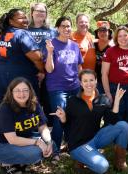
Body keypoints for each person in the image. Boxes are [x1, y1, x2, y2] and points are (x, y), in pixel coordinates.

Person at [52, 69, 128, 173]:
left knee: (123, 126)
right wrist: (63, 118)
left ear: (96, 81)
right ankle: (81, 162)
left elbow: (111, 121)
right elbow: (66, 125)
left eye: (91, 80)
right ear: (81, 83)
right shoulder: (73, 101)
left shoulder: (103, 99)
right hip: (78, 144)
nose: (89, 83)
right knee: (103, 166)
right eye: (85, 81)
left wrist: (116, 102)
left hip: (95, 138)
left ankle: (120, 162)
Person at [0, 77, 54, 174]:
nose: (21, 94)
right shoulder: (5, 109)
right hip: (0, 145)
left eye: (25, 90)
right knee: (37, 153)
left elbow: (42, 127)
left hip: (22, 138)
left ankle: (20, 158)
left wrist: (48, 142)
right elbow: (12, 139)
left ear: (30, 91)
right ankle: (7, 162)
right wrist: (38, 142)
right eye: (17, 90)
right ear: (11, 92)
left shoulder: (34, 103)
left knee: (52, 143)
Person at [44, 16, 83, 159]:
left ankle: (70, 144)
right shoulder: (51, 45)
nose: (67, 29)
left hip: (74, 86)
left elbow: (79, 66)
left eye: (68, 26)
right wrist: (49, 52)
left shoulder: (74, 45)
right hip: (57, 88)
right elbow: (48, 69)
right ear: (58, 28)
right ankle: (55, 150)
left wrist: (83, 83)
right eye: (63, 26)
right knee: (60, 117)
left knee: (72, 116)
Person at [0, 8, 44, 105]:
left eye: (25, 17)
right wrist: (42, 71)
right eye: (20, 18)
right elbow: (37, 58)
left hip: (0, 77)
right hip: (22, 79)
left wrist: (3, 68)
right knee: (29, 107)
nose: (25, 20)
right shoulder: (22, 34)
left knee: (4, 106)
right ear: (10, 21)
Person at [102, 26, 128, 154]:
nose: (123, 38)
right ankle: (119, 146)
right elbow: (104, 74)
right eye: (120, 36)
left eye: (125, 35)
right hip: (116, 88)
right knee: (118, 117)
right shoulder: (110, 52)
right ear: (116, 38)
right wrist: (108, 93)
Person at [28, 2, 57, 126]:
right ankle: (34, 128)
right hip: (29, 71)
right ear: (32, 13)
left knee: (48, 101)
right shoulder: (25, 29)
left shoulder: (53, 31)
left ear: (46, 14)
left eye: (43, 11)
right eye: (37, 11)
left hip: (49, 71)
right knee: (32, 101)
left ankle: (49, 129)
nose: (40, 13)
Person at [93, 21, 114, 94]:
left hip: (110, 80)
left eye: (104, 30)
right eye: (100, 31)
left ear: (109, 32)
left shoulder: (112, 46)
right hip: (96, 80)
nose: (102, 33)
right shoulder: (93, 45)